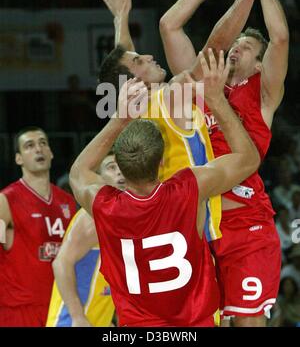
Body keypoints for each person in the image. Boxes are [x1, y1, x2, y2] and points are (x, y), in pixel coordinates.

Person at [69, 52, 260, 327]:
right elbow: (249, 158)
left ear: (119, 168)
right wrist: (216, 99)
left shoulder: (104, 206)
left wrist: (119, 120)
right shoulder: (188, 189)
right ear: (161, 163)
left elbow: (78, 172)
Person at [159, 0, 288, 327]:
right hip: (194, 225)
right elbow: (170, 28)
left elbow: (280, 37)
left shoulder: (263, 94)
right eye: (238, 43)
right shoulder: (201, 79)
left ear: (261, 65)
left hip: (245, 224)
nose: (238, 48)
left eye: (248, 48)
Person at [99, 0, 221, 244]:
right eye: (141, 59)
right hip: (196, 227)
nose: (150, 56)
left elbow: (123, 61)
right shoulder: (171, 95)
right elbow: (216, 46)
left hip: (161, 226)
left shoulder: (126, 112)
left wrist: (121, 18)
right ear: (134, 79)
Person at [0, 126, 77, 327]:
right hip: (19, 311)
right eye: (29, 146)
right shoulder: (6, 200)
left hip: (59, 307)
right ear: (18, 159)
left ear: (51, 153)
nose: (38, 149)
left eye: (43, 143)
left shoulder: (67, 202)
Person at [46, 152, 125, 327]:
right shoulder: (92, 215)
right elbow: (60, 263)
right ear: (97, 178)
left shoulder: (121, 217)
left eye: (121, 166)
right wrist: (77, 317)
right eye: (111, 167)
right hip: (69, 322)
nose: (119, 172)